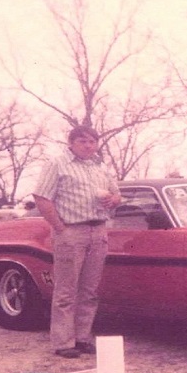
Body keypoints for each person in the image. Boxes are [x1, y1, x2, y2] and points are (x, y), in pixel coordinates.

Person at [33, 125, 121, 358]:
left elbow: (116, 193)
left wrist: (114, 200)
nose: (88, 145)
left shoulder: (99, 166)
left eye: (92, 141)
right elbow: (41, 196)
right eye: (82, 141)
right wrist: (60, 228)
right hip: (71, 231)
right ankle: (63, 343)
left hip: (98, 230)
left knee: (90, 290)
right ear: (71, 142)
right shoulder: (58, 164)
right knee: (66, 290)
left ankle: (82, 338)